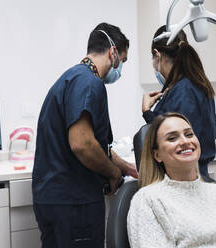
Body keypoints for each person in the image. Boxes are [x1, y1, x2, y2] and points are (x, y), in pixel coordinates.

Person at [32, 22, 137, 248]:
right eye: (123, 61)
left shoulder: (71, 78)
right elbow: (82, 144)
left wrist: (126, 168)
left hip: (54, 199)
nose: (121, 70)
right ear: (113, 53)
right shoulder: (89, 82)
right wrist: (113, 174)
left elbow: (98, 145)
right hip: (74, 203)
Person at [127, 112, 216, 248]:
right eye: (172, 138)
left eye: (189, 134)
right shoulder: (148, 200)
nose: (185, 141)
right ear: (157, 155)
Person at [142, 25, 216, 179]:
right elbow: (213, 130)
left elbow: (169, 137)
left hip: (183, 177)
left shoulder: (182, 91)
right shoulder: (198, 84)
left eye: (153, 59)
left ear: (157, 55)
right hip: (197, 174)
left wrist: (147, 112)